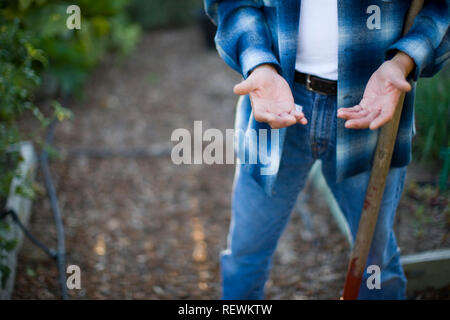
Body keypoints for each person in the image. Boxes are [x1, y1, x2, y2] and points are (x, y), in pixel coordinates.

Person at [204, 0, 449, 299]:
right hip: (276, 104)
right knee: (245, 254)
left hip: (370, 112)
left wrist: (403, 60)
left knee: (375, 267)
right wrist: (259, 63)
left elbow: (441, 8)